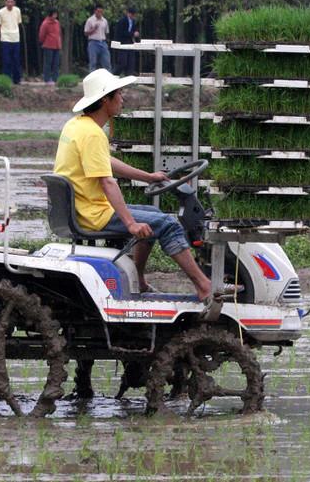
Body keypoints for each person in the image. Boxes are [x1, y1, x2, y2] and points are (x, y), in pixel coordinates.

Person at [54, 69, 217, 310]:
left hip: (82, 208)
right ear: (105, 100)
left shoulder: (77, 126)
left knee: (152, 217)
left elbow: (105, 161)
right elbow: (108, 182)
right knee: (168, 224)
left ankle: (139, 281)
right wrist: (130, 224)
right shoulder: (92, 134)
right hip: (93, 214)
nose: (123, 99)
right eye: (119, 94)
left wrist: (148, 176)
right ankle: (204, 285)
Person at [0, 0, 23, 84]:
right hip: (5, 38)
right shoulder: (1, 12)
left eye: (11, 2)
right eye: (8, 2)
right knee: (6, 60)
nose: (10, 4)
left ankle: (17, 79)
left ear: (14, 3)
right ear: (5, 2)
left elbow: (18, 23)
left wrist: (15, 33)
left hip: (15, 38)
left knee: (16, 59)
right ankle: (7, 79)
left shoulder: (17, 10)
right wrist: (1, 35)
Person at [111, 6, 141, 75]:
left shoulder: (133, 21)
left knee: (131, 62)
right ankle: (115, 75)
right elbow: (121, 32)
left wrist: (135, 34)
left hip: (130, 43)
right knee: (122, 62)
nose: (133, 16)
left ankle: (128, 77)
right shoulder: (122, 21)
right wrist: (132, 34)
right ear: (128, 14)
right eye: (132, 14)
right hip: (122, 43)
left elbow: (133, 30)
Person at [38, 7, 61, 87]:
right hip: (48, 45)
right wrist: (43, 42)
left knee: (56, 63)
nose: (55, 16)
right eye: (54, 14)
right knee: (48, 63)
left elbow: (58, 33)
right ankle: (47, 79)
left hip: (57, 45)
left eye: (56, 14)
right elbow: (41, 35)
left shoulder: (57, 22)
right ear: (51, 14)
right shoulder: (45, 23)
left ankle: (55, 79)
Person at [84, 4, 111, 72]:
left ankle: (108, 78)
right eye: (98, 11)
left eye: (101, 12)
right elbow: (85, 33)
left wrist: (106, 41)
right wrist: (93, 29)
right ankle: (92, 79)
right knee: (93, 62)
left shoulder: (104, 20)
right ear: (95, 11)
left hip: (102, 42)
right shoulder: (90, 20)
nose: (100, 13)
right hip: (93, 42)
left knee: (106, 62)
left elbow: (106, 32)